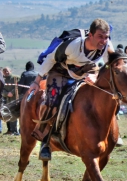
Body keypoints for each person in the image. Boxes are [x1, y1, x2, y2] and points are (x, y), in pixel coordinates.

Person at [28, 18, 114, 161]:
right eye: (100, 37)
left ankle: (110, 134)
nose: (103, 41)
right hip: (60, 70)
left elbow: (109, 66)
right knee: (52, 102)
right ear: (90, 35)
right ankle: (45, 142)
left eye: (106, 37)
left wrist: (97, 76)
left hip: (87, 69)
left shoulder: (106, 46)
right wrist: (37, 81)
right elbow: (50, 59)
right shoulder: (73, 45)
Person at [2, 67, 20, 136]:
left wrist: (12, 92)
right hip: (6, 100)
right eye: (4, 71)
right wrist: (7, 94)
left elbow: (18, 86)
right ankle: (9, 130)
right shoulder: (2, 80)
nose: (6, 72)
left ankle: (14, 131)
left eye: (7, 70)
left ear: (10, 71)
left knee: (14, 115)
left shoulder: (16, 78)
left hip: (15, 100)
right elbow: (1, 89)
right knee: (7, 115)